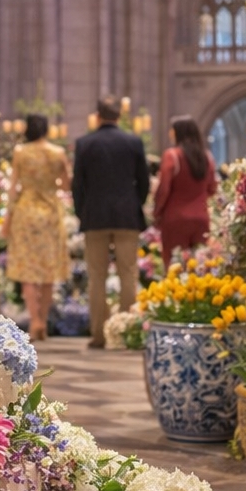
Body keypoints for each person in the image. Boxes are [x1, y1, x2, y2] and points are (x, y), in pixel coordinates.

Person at [72, 96, 150, 348]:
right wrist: (135, 202)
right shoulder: (133, 142)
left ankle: (98, 335)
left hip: (95, 216)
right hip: (127, 215)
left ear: (98, 116)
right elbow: (144, 180)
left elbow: (78, 184)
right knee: (128, 274)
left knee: (96, 276)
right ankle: (126, 334)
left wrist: (81, 212)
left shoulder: (85, 143)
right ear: (118, 116)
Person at [4, 115, 71, 341]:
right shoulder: (57, 153)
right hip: (50, 212)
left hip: (26, 212)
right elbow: (67, 183)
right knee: (48, 270)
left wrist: (7, 218)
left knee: (28, 271)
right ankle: (44, 320)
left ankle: (35, 321)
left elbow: (13, 187)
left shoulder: (21, 153)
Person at [153, 115, 217, 263]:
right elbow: (212, 188)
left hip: (175, 219)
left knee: (175, 266)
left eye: (172, 130)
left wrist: (156, 213)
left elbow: (164, 190)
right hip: (201, 218)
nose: (170, 133)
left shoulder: (172, 156)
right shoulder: (207, 157)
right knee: (199, 266)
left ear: (178, 133)